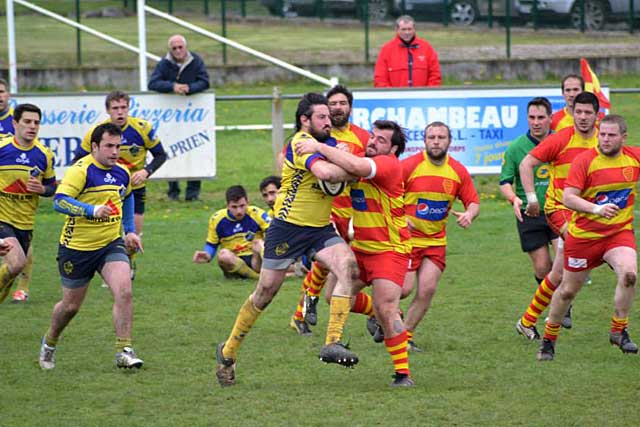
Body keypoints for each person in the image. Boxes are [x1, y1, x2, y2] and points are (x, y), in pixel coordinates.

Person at [215, 93, 359, 387]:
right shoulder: (299, 143)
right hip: (287, 228)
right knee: (266, 292)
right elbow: (327, 171)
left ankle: (332, 342)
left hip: (320, 229)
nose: (329, 121)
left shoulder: (325, 144)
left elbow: (351, 171)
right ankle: (228, 351)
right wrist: (347, 163)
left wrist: (340, 157)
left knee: (350, 269)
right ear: (305, 120)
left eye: (329, 117)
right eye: (322, 117)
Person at [296, 119, 414, 387]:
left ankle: (403, 375)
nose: (372, 141)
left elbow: (355, 167)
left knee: (387, 309)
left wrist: (317, 147)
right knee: (333, 297)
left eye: (381, 140)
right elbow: (340, 171)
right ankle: (377, 314)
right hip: (361, 248)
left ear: (394, 149)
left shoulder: (388, 165)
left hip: (389, 251)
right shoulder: (363, 161)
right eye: (372, 136)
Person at [39, 123, 144, 370]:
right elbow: (59, 202)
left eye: (118, 146)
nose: (115, 152)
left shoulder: (122, 172)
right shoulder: (81, 171)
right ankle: (50, 342)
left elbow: (127, 196)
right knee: (70, 307)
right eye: (109, 146)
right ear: (95, 146)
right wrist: (91, 210)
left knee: (124, 291)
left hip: (110, 244)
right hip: (76, 249)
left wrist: (129, 230)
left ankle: (124, 350)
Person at [537, 114, 640, 361]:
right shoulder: (585, 161)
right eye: (602, 133)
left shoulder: (633, 158)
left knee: (629, 275)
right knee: (568, 292)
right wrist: (596, 209)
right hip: (584, 237)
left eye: (611, 135)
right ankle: (549, 340)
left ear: (623, 137)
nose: (604, 139)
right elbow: (568, 198)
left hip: (618, 233)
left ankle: (619, 330)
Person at [515, 92, 600, 340]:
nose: (582, 117)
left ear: (596, 115)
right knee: (577, 261)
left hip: (585, 211)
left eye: (588, 113)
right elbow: (525, 165)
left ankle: (527, 320)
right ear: (571, 113)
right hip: (558, 210)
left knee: (559, 272)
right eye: (578, 112)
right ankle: (618, 327)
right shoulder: (561, 139)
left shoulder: (603, 141)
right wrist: (531, 198)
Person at [290, 84, 371, 336]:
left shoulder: (362, 137)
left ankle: (302, 313)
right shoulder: (317, 135)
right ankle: (306, 309)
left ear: (350, 107)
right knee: (325, 262)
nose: (337, 108)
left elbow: (369, 167)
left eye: (342, 103)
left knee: (336, 265)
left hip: (354, 210)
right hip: (326, 207)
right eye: (332, 104)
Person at [400, 121, 479, 352]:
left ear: (449, 141)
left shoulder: (457, 171)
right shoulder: (410, 166)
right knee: (403, 290)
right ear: (424, 141)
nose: (436, 141)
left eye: (441, 137)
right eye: (431, 137)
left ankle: (404, 336)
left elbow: (473, 201)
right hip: (407, 240)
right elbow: (389, 194)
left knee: (427, 290)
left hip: (435, 242)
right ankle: (381, 315)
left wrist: (469, 214)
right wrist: (400, 217)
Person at [73, 90, 167, 280]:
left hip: (135, 190)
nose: (120, 112)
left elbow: (161, 155)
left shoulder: (142, 128)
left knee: (133, 233)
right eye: (115, 108)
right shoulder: (96, 133)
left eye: (123, 107)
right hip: (106, 191)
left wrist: (145, 171)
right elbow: (78, 159)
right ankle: (111, 269)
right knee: (110, 232)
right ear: (108, 110)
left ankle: (127, 264)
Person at [500, 97, 559, 308]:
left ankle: (563, 304)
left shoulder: (562, 142)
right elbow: (505, 182)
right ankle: (555, 302)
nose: (536, 122)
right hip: (529, 215)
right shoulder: (516, 148)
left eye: (541, 117)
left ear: (550, 119)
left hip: (559, 211)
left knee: (562, 261)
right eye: (531, 117)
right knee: (543, 268)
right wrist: (513, 198)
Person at [0, 103, 56, 304]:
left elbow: (52, 187)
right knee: (17, 263)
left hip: (25, 223)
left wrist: (43, 190)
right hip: (2, 218)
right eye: (27, 121)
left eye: (36, 123)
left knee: (10, 277)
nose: (32, 126)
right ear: (15, 123)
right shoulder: (2, 148)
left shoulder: (44, 154)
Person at [148, 34, 210, 202]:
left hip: (193, 115)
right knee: (170, 151)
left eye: (180, 47)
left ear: (185, 47)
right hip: (172, 116)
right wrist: (173, 87)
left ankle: (193, 193)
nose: (177, 51)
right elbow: (152, 83)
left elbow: (205, 82)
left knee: (195, 150)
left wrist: (189, 88)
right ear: (170, 49)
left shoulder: (196, 61)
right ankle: (173, 191)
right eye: (174, 48)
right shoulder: (164, 63)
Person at [0, 80, 38, 303]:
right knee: (13, 255)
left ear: (8, 94)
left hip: (21, 200)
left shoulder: (15, 122)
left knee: (20, 250)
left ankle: (22, 288)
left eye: (2, 91)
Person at [193, 185, 270, 280]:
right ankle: (257, 277)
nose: (239, 211)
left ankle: (272, 271)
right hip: (232, 263)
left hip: (255, 261)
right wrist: (207, 255)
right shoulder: (217, 219)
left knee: (259, 243)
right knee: (223, 254)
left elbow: (272, 234)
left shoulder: (257, 214)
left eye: (242, 206)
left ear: (247, 202)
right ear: (227, 206)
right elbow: (212, 244)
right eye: (234, 207)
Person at [374, 15, 441, 88]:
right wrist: (391, 95)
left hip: (422, 98)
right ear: (397, 29)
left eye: (409, 29)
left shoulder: (426, 48)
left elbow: (435, 75)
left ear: (414, 29)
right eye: (403, 29)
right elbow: (380, 78)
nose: (407, 32)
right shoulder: (387, 50)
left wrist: (428, 94)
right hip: (395, 98)